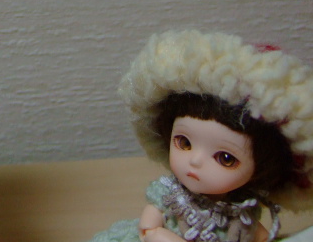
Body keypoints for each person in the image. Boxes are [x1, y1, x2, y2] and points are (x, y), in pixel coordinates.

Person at [87, 30, 313, 242]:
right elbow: (148, 228)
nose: (195, 160)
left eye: (226, 158)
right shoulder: (170, 195)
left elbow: (260, 235)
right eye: (184, 143)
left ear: (262, 170)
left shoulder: (243, 212)